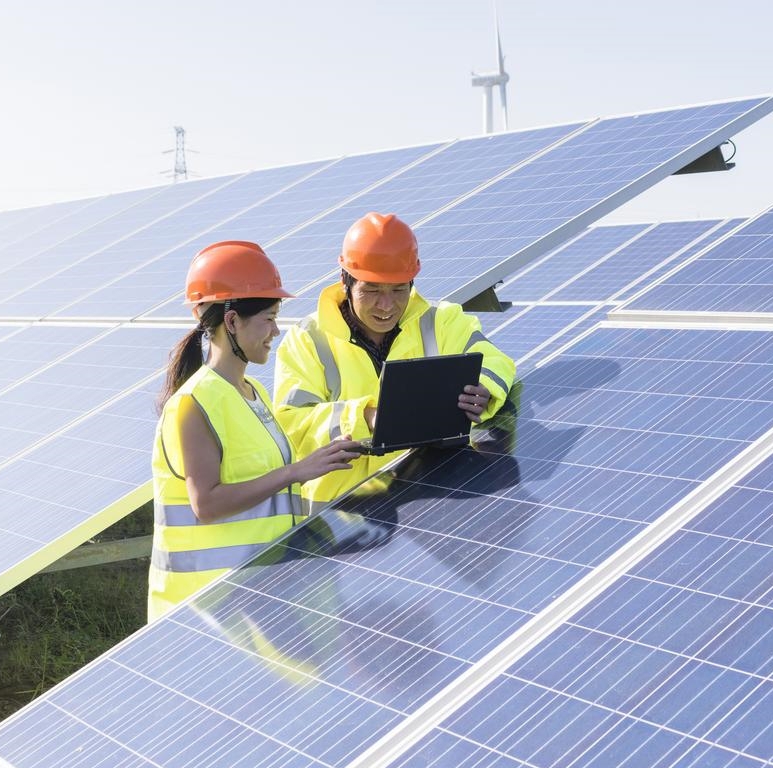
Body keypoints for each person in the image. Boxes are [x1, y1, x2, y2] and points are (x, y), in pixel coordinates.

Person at [150, 240, 362, 622]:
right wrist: (296, 471)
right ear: (231, 322)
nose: (276, 330)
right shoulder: (193, 404)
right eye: (268, 317)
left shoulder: (254, 393)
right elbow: (207, 504)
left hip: (257, 602)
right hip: (203, 615)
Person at [274, 212, 516, 511]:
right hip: (343, 514)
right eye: (372, 291)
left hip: (429, 500)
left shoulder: (441, 320)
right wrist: (365, 418)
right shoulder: (308, 339)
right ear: (345, 281)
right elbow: (290, 427)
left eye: (399, 290)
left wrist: (485, 387)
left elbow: (496, 360)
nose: (386, 306)